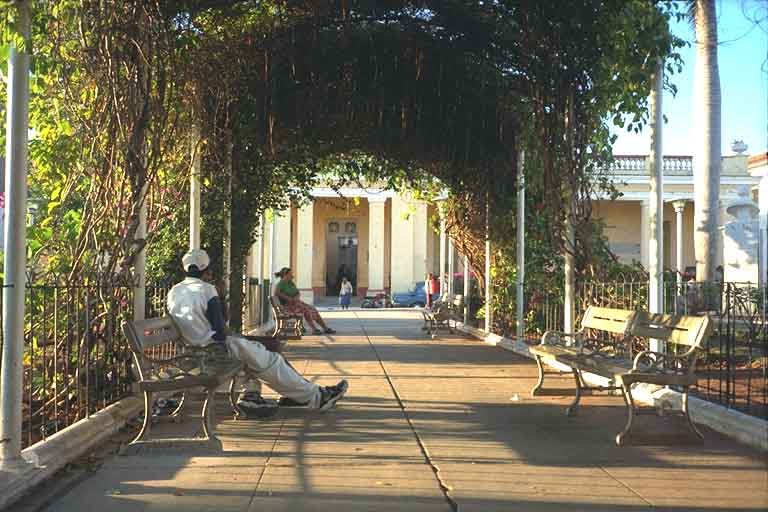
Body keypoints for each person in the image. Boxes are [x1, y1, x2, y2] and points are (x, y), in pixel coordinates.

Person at [166, 249, 348, 417]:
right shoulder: (207, 290)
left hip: (193, 349)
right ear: (207, 271)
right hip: (213, 349)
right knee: (271, 360)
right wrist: (221, 299)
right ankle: (315, 397)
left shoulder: (174, 291)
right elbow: (221, 329)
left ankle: (298, 395)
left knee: (263, 356)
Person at [274, 267, 337, 335]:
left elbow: (297, 292)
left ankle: (325, 328)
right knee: (305, 310)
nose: (292, 276)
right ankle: (314, 329)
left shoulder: (290, 283)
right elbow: (277, 293)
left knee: (313, 309)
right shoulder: (281, 284)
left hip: (296, 303)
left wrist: (296, 297)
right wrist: (288, 298)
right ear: (285, 275)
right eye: (290, 274)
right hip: (287, 307)